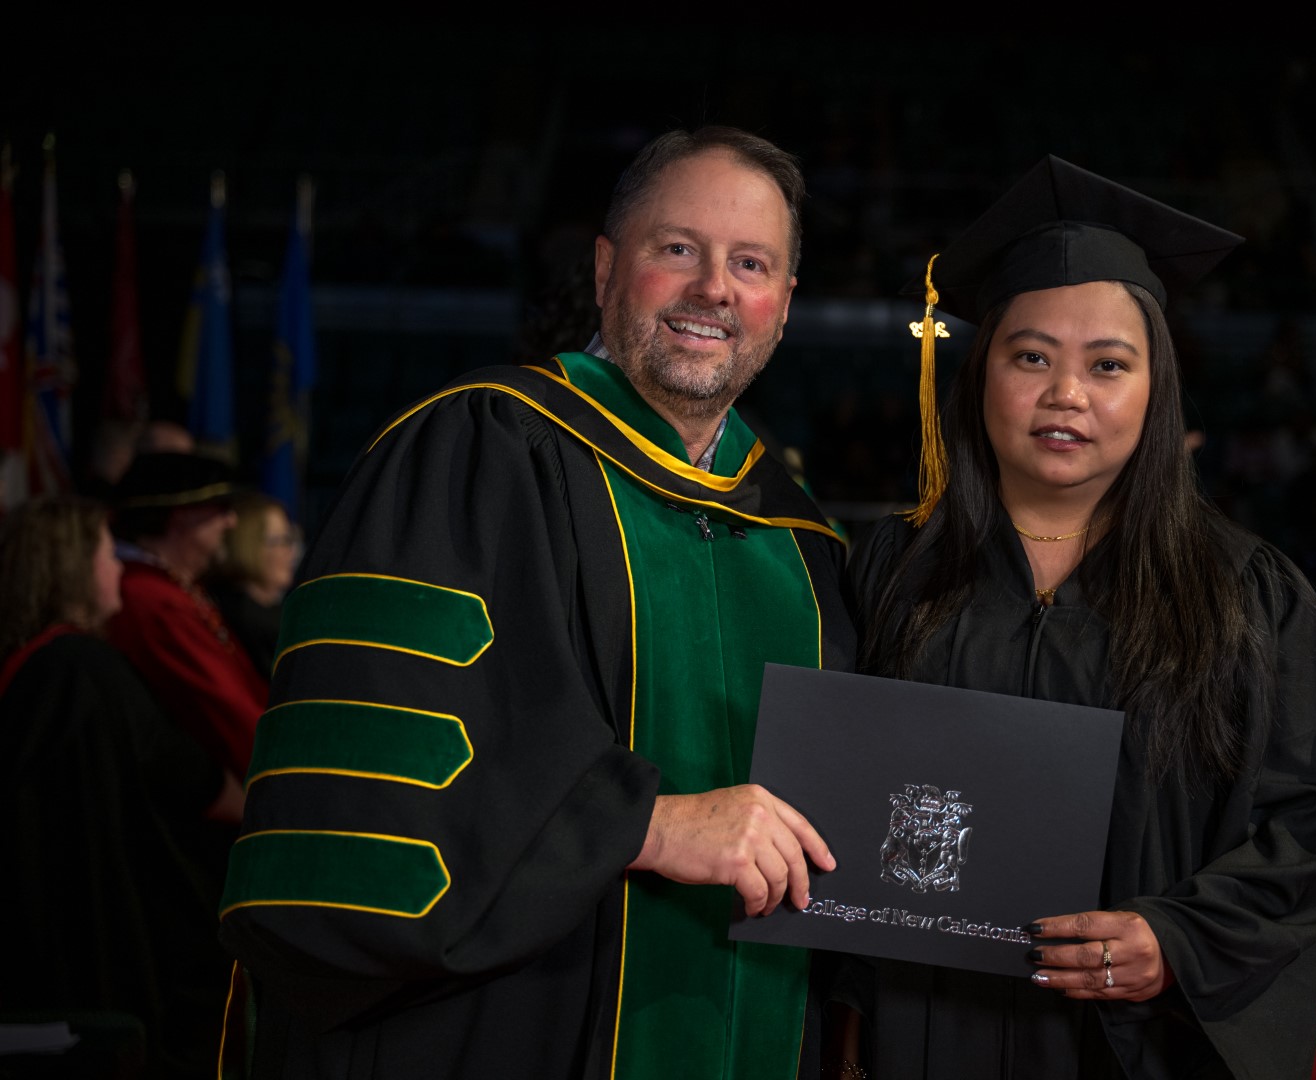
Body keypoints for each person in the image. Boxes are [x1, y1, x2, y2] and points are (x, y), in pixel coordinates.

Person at [218, 126, 855, 1080]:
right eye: (678, 248)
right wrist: (648, 826)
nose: (714, 289)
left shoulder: (803, 546)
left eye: (750, 263)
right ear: (604, 269)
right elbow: (374, 782)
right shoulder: (476, 449)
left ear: (786, 304)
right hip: (507, 1028)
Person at [845, 157, 1316, 1078]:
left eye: (1108, 365)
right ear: (981, 375)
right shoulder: (890, 571)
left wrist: (1177, 939)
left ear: (1155, 389)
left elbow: (1314, 827)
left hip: (1129, 1046)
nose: (1067, 393)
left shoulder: (1244, 597)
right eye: (1031, 356)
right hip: (917, 1033)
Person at [0, 496, 244, 1080]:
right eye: (108, 555)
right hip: (109, 942)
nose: (119, 570)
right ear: (72, 569)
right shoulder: (83, 667)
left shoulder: (30, 666)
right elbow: (180, 772)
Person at [105, 451, 269, 779]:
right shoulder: (151, 599)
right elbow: (223, 705)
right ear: (181, 517)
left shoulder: (169, 588)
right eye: (220, 509)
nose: (231, 522)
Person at [208, 489, 300, 681]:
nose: (291, 552)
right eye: (283, 540)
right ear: (249, 545)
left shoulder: (273, 613)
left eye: (291, 539)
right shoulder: (252, 623)